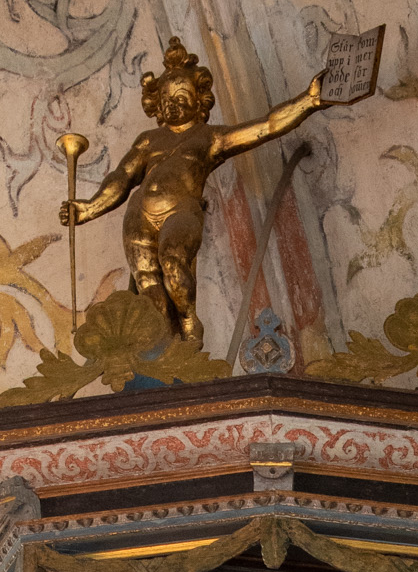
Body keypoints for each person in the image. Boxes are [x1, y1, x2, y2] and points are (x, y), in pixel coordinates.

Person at [60, 38, 324, 345]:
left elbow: (266, 126)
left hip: (181, 211)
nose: (172, 104)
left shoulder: (209, 137)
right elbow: (122, 177)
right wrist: (88, 208)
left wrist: (309, 100)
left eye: (181, 97)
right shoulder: (148, 140)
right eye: (166, 99)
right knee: (148, 288)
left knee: (173, 261)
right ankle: (161, 347)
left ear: (198, 101)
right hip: (138, 215)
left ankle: (188, 323)